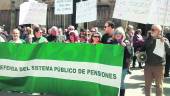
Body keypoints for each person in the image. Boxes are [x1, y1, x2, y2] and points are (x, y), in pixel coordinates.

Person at [141, 25, 170, 96]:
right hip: (148, 65)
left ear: (159, 31)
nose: (152, 30)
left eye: (154, 29)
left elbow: (169, 52)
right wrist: (139, 52)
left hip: (159, 66)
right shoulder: (148, 39)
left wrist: (164, 43)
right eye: (151, 29)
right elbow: (142, 49)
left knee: (159, 86)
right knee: (147, 86)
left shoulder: (165, 40)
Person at [112, 27, 131, 96]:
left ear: (122, 34)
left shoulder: (126, 42)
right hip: (113, 65)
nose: (118, 34)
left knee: (121, 82)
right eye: (116, 33)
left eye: (120, 33)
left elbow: (129, 55)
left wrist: (125, 46)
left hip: (123, 66)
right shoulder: (112, 42)